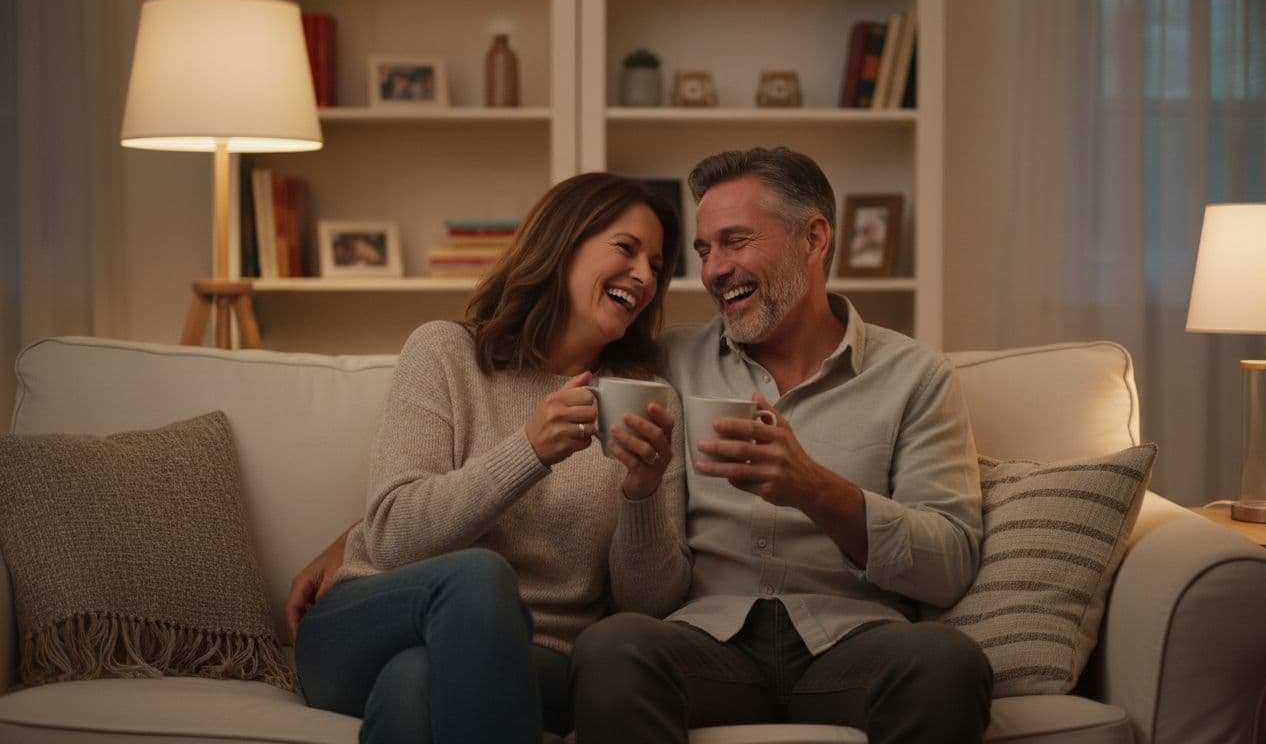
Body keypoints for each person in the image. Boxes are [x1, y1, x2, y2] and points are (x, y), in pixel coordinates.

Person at [569, 147, 992, 743]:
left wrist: (815, 490)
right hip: (707, 643)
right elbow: (642, 591)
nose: (714, 270)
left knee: (947, 662)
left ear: (813, 239)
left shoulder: (915, 376)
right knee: (613, 647)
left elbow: (949, 562)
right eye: (704, 250)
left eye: (735, 242)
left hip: (855, 644)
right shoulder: (668, 364)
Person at [289, 172, 690, 744]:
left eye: (657, 264)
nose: (645, 276)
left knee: (414, 683)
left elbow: (648, 608)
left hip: (538, 659)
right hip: (370, 621)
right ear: (562, 243)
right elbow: (391, 538)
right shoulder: (446, 353)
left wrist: (642, 493)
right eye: (626, 249)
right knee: (478, 578)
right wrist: (527, 451)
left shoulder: (649, 403)